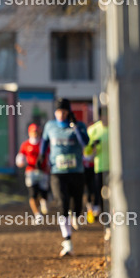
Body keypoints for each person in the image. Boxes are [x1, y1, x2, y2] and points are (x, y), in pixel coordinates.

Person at [39, 99, 89, 257]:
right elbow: (45, 141)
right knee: (62, 202)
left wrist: (75, 127)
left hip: (76, 171)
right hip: (57, 172)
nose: (61, 114)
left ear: (69, 112)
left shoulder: (78, 125)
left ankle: (76, 215)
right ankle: (67, 241)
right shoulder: (50, 126)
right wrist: (41, 155)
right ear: (55, 112)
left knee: (77, 204)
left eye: (64, 112)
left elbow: (85, 143)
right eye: (58, 111)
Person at [15, 123, 49, 223]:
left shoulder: (44, 143)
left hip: (43, 172)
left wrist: (49, 165)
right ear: (29, 132)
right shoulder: (25, 144)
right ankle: (37, 214)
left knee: (43, 193)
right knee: (32, 194)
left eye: (36, 131)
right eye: (33, 131)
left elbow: (49, 154)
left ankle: (43, 202)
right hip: (31, 172)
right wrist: (20, 161)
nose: (35, 133)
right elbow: (21, 156)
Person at [85, 107, 109, 238]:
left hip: (114, 168)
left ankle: (112, 221)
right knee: (98, 194)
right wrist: (92, 145)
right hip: (99, 167)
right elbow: (87, 152)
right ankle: (103, 221)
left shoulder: (116, 127)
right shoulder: (93, 130)